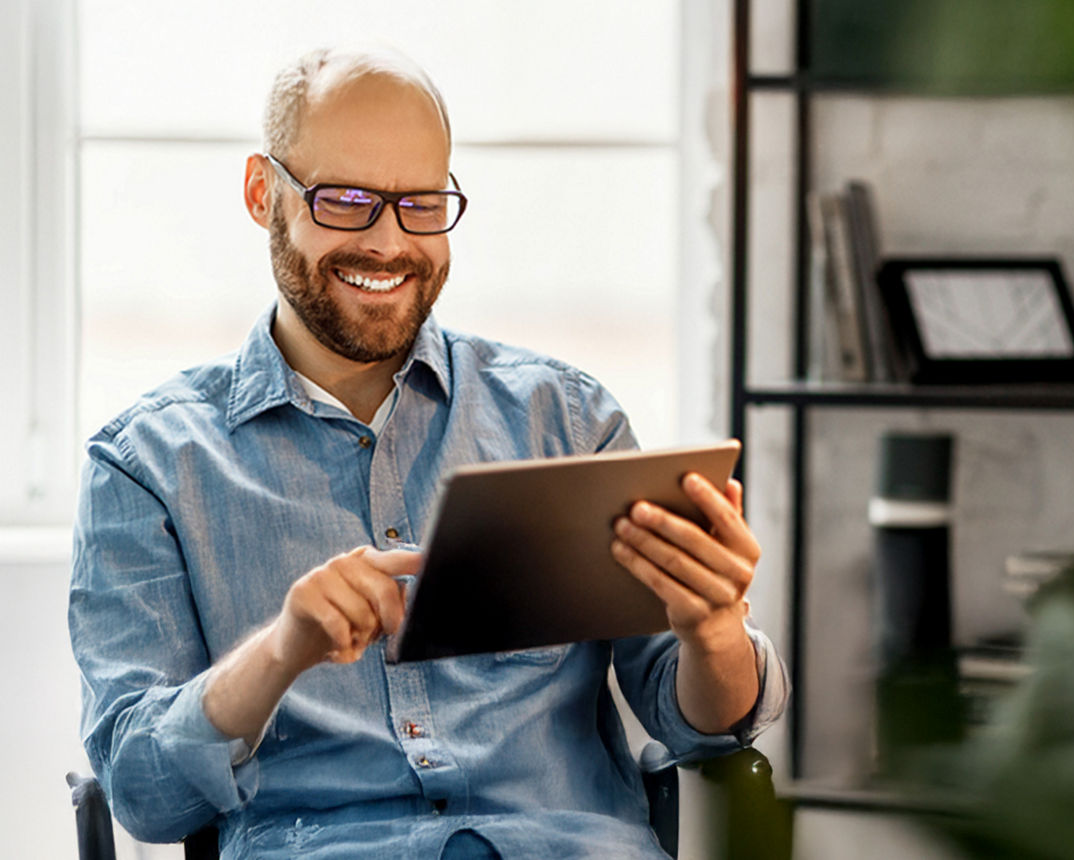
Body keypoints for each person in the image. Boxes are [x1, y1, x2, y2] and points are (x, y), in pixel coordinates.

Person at [68, 46, 788, 859]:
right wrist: (280, 653)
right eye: (345, 201)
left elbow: (704, 726)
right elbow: (139, 794)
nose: (388, 243)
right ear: (263, 193)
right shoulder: (147, 466)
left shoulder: (568, 420)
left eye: (421, 203)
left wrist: (715, 633)